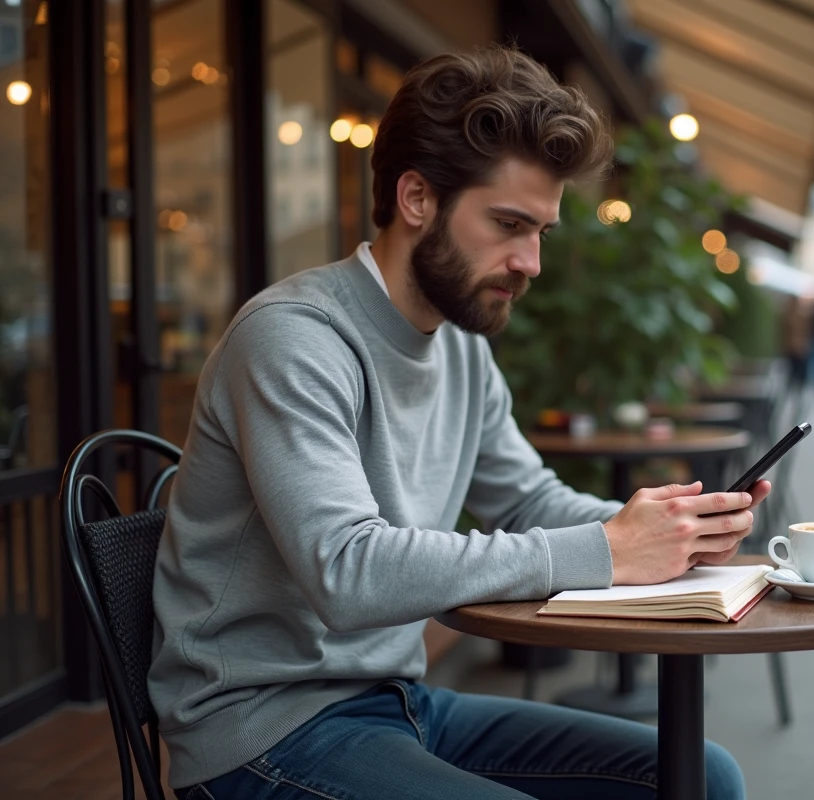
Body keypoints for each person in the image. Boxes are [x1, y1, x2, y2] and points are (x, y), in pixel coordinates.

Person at [149, 47, 768, 800]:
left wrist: (669, 532)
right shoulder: (294, 337)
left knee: (703, 775)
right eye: (509, 224)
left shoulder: (460, 348)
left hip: (398, 702)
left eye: (541, 231)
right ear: (417, 198)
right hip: (265, 728)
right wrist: (608, 550)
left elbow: (530, 502)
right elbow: (347, 571)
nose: (531, 262)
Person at [780, 294, 814, 399]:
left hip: (798, 347)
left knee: (798, 371)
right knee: (793, 370)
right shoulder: (788, 316)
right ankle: (794, 388)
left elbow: (806, 332)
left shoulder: (799, 315)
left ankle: (798, 389)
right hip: (792, 348)